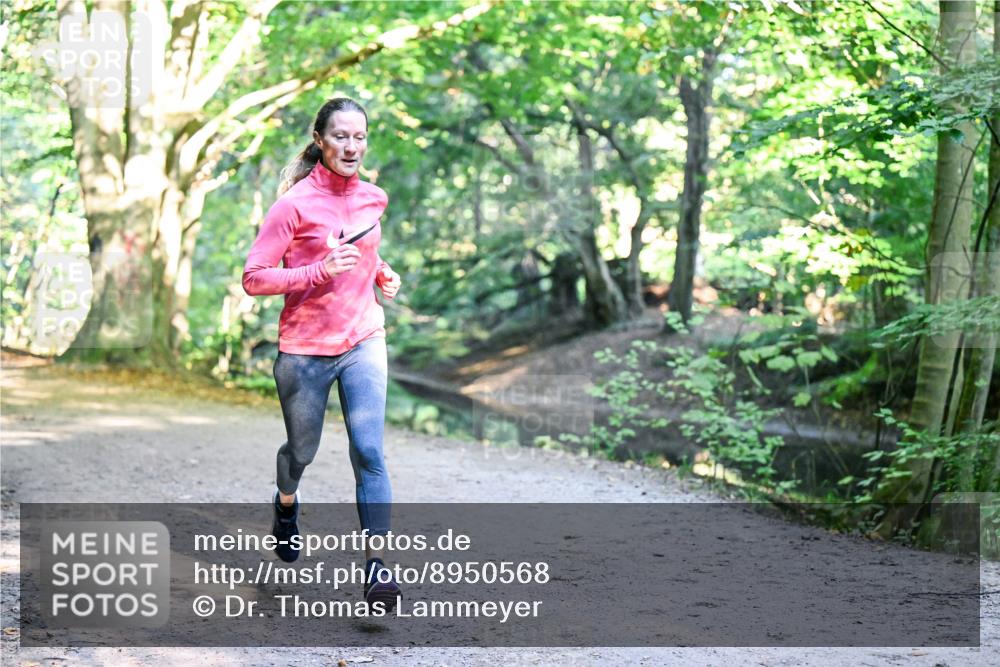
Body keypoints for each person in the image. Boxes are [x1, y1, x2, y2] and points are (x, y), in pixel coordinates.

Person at [242, 96, 403, 610]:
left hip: (363, 339)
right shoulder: (292, 205)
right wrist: (318, 271)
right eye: (341, 136)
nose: (351, 146)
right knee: (301, 452)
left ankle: (378, 568)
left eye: (359, 136)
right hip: (305, 349)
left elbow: (365, 248)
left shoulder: (374, 197)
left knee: (370, 451)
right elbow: (254, 278)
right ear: (320, 140)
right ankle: (285, 504)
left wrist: (380, 273)